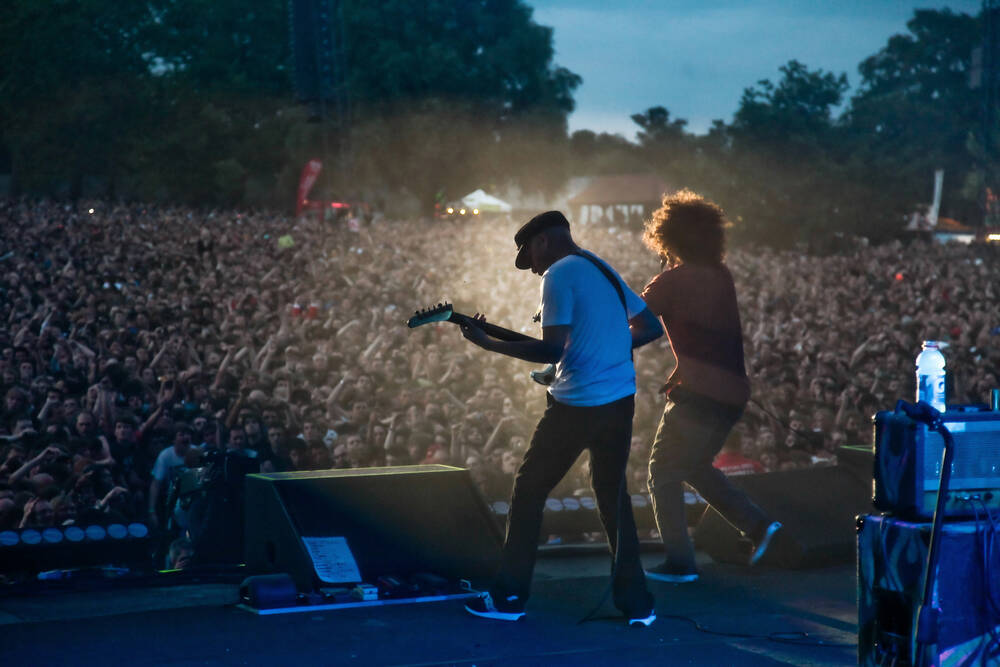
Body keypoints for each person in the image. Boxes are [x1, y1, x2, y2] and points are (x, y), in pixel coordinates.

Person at [457, 210, 663, 626]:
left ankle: (509, 597)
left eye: (529, 257)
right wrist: (606, 350)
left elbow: (550, 351)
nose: (532, 268)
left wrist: (488, 344)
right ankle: (638, 604)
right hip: (621, 400)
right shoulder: (600, 266)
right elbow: (650, 326)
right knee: (612, 495)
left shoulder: (557, 275)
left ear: (543, 243)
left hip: (576, 405)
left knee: (529, 489)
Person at [639, 190, 783, 583]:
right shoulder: (721, 276)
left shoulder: (669, 281)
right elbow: (705, 335)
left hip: (699, 395)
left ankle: (680, 563)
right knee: (694, 465)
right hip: (732, 393)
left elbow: (634, 324)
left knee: (663, 471)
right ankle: (756, 525)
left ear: (667, 237)